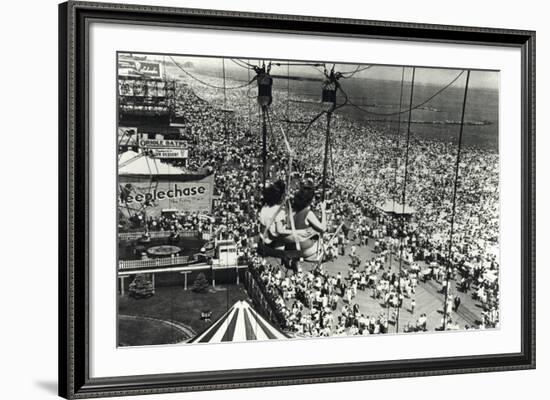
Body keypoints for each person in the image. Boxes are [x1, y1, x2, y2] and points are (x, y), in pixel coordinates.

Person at [284, 182, 328, 260]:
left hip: (291, 247)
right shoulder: (307, 213)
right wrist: (323, 210)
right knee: (324, 238)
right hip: (305, 250)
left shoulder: (292, 211)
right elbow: (323, 228)